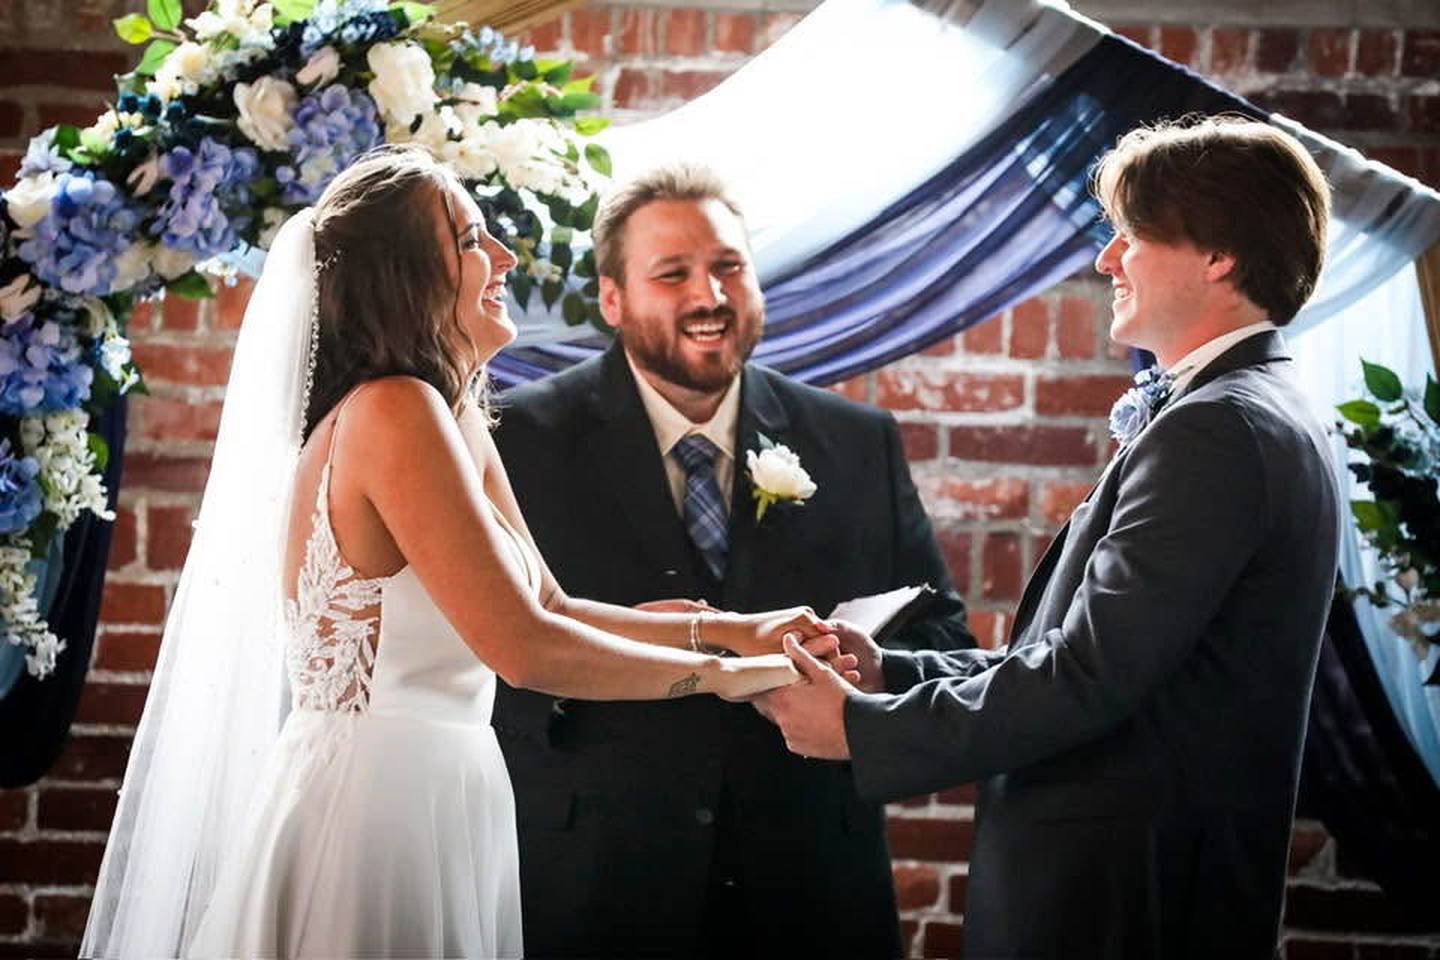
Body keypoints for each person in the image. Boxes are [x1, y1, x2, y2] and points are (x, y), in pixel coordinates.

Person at [80, 145, 849, 958]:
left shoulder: (451, 412)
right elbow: (524, 648)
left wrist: (734, 631)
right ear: (406, 273)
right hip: (378, 810)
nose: (506, 257)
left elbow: (549, 603)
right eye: (473, 238)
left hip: (446, 791)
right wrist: (725, 679)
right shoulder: (393, 409)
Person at [758, 115, 1342, 959]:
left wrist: (863, 729)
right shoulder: (1253, 408)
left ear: (1219, 255)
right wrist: (891, 672)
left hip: (1120, 901)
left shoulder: (1218, 429)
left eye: (1133, 234)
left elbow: (1087, 676)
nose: (1108, 259)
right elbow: (1094, 654)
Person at [492, 162, 978, 957]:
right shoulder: (516, 440)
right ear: (612, 299)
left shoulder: (856, 442)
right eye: (672, 274)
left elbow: (944, 642)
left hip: (812, 890)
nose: (710, 296)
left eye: (729, 267)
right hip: (596, 885)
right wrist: (598, 662)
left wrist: (863, 669)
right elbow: (471, 661)